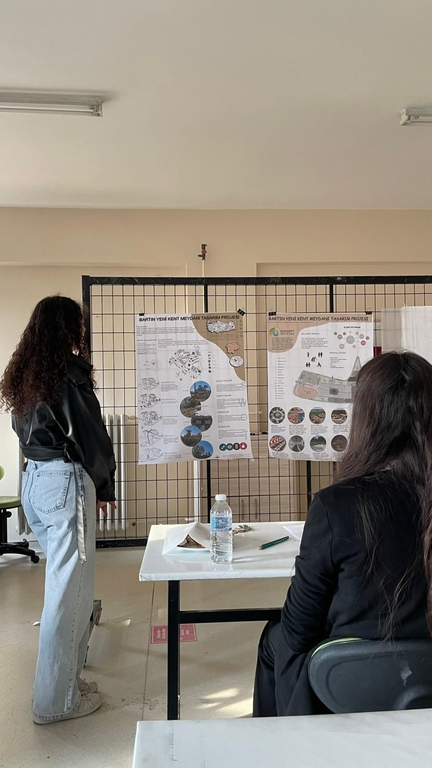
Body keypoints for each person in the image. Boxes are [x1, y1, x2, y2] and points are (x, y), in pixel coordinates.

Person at [254, 351, 432, 717]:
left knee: (275, 638)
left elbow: (299, 631)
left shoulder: (337, 505)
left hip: (349, 679)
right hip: (425, 673)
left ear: (365, 420)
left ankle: (276, 740)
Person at [0, 295, 116, 724]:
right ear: (70, 328)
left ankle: (67, 684)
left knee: (67, 587)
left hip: (35, 481)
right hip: (66, 483)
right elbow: (90, 436)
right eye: (78, 324)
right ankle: (55, 703)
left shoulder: (26, 373)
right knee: (70, 595)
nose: (81, 332)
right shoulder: (67, 373)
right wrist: (104, 485)